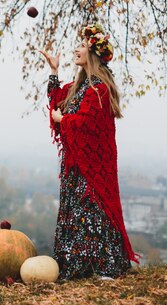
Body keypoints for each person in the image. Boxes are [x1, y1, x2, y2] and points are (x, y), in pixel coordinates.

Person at [39, 24, 139, 280]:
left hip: (94, 165)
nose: (77, 48)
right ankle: (79, 267)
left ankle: (105, 267)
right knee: (78, 215)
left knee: (94, 214)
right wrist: (53, 70)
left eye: (82, 46)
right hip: (75, 164)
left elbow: (85, 122)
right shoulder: (81, 86)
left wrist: (63, 121)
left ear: (93, 53)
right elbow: (57, 100)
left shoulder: (100, 89)